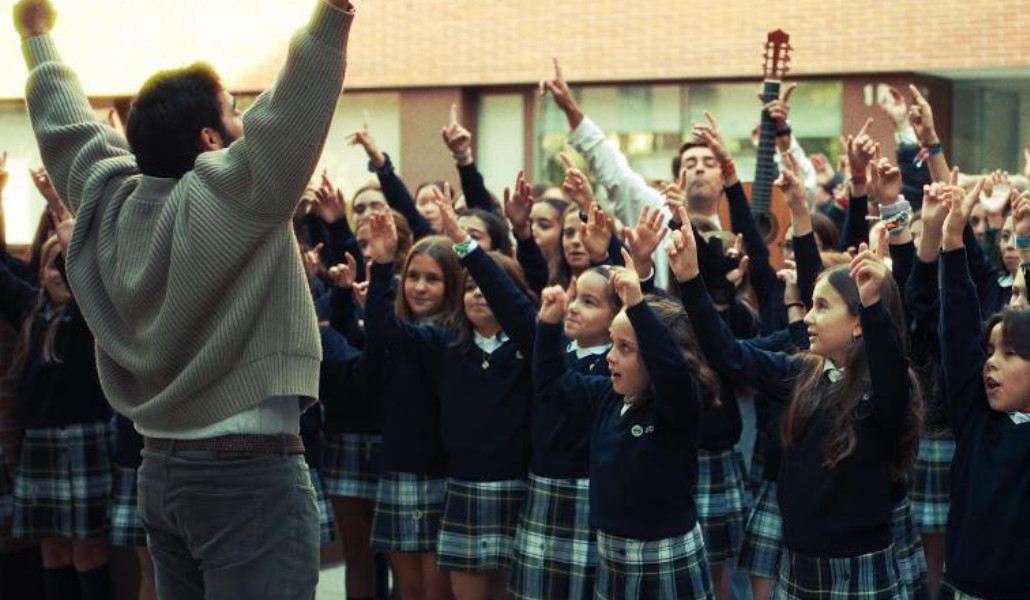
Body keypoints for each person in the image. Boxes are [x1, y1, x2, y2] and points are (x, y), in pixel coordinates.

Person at [14, 0, 357, 597]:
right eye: (234, 113)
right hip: (246, 476)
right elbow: (297, 104)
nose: (248, 122)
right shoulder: (236, 193)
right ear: (209, 138)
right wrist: (331, 12)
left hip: (162, 471)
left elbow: (66, 130)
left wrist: (37, 40)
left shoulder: (110, 202)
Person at [674, 206, 922, 598]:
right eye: (809, 305)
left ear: (858, 323)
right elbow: (728, 355)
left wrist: (874, 307)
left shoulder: (886, 386)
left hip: (860, 570)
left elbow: (890, 366)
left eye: (822, 307)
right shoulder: (802, 371)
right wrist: (690, 281)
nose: (807, 318)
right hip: (797, 564)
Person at [533, 249, 717, 599]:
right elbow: (552, 388)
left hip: (663, 555)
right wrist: (547, 326)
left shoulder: (676, 407)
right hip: (612, 555)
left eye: (625, 348)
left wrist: (636, 303)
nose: (609, 356)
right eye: (613, 344)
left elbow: (671, 369)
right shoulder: (609, 395)